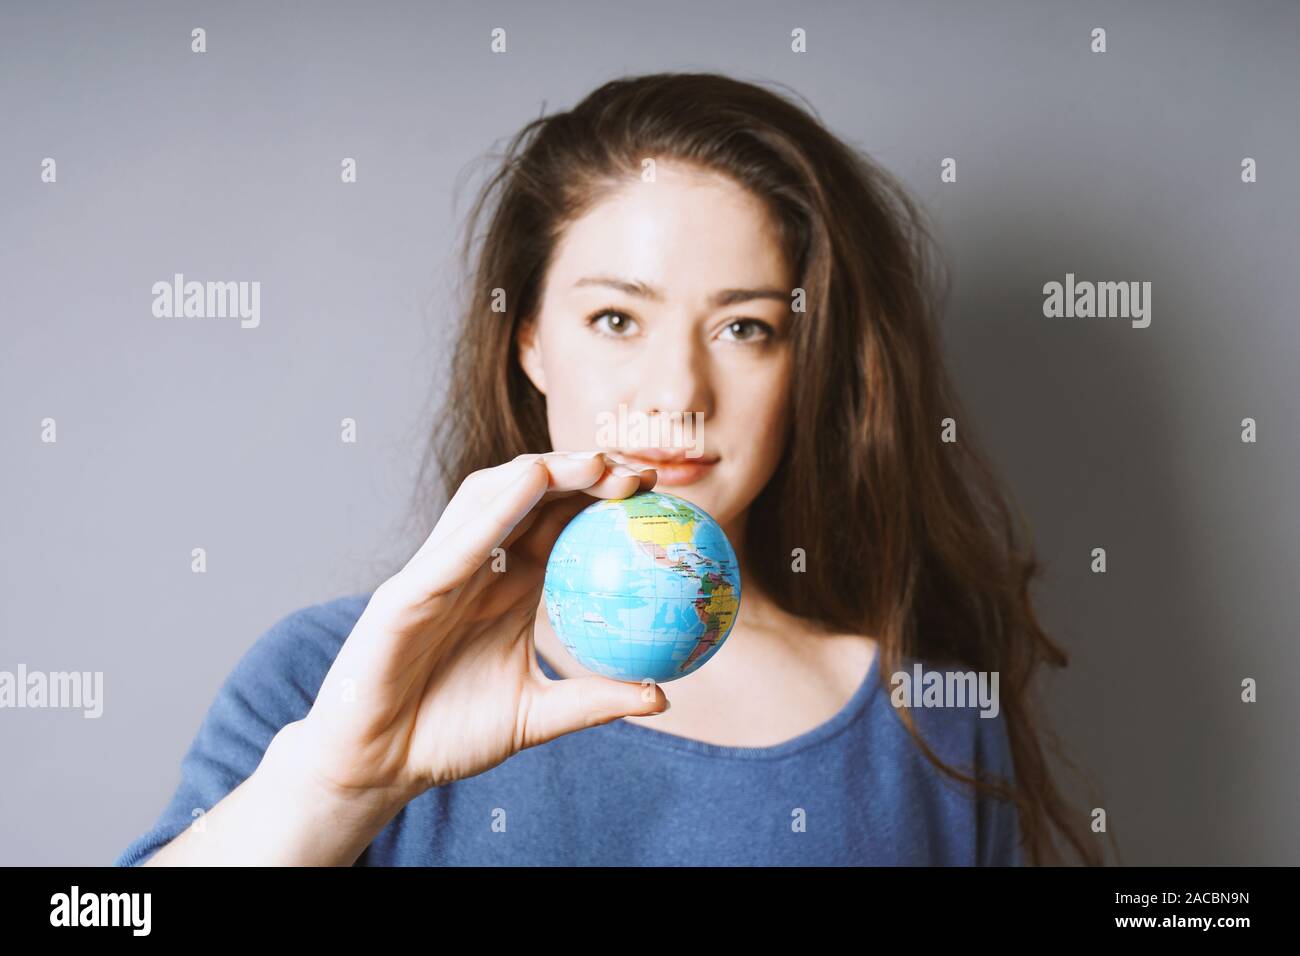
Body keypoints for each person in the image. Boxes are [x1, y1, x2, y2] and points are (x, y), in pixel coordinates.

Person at [113, 71, 1103, 867]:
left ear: (806, 367)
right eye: (617, 318)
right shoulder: (336, 674)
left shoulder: (928, 724)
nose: (679, 387)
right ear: (531, 341)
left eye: (746, 326)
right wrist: (335, 791)